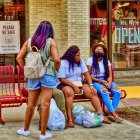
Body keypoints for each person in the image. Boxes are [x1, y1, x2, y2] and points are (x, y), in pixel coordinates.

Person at [16, 21, 60, 140]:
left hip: (33, 75)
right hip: (48, 74)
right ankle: (43, 134)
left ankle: (25, 130)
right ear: (51, 31)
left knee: (30, 104)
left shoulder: (29, 41)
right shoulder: (51, 42)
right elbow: (57, 60)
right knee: (45, 104)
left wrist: (27, 68)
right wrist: (56, 71)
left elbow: (19, 57)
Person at [57, 45, 111, 128]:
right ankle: (70, 119)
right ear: (72, 55)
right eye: (77, 55)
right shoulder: (63, 62)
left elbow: (86, 73)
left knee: (92, 92)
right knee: (69, 92)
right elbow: (62, 79)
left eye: (79, 55)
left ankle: (101, 116)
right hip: (66, 83)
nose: (79, 57)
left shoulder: (80, 61)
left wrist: (91, 85)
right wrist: (74, 86)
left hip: (79, 83)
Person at [86, 42, 123, 123]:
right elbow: (88, 75)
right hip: (95, 81)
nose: (99, 51)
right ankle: (114, 115)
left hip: (106, 80)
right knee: (105, 92)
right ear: (94, 51)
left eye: (101, 49)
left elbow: (109, 74)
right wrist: (100, 81)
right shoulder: (90, 60)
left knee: (117, 91)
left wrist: (109, 83)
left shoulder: (106, 61)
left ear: (103, 52)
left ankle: (110, 113)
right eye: (97, 49)